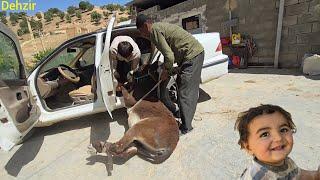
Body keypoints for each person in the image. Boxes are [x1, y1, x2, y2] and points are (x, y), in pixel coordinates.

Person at [136, 14, 204, 134]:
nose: (142, 35)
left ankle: (186, 127)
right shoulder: (157, 29)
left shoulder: (154, 31)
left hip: (192, 55)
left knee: (185, 92)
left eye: (141, 31)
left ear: (146, 25)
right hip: (188, 56)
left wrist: (166, 71)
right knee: (180, 85)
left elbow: (169, 56)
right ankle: (181, 114)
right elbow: (164, 51)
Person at [234, 104, 320, 179]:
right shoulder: (258, 177)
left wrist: (317, 174)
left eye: (283, 130)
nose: (278, 138)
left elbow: (300, 176)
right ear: (248, 147)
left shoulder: (286, 162)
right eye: (265, 134)